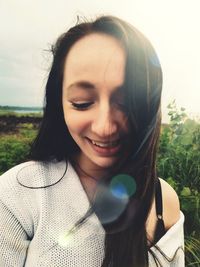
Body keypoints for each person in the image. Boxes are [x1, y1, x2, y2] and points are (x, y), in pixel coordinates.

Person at [0, 15, 184, 266]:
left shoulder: (163, 200)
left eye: (126, 102)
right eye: (82, 103)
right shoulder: (17, 194)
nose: (104, 127)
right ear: (59, 104)